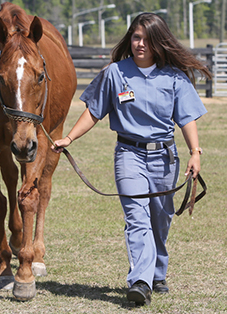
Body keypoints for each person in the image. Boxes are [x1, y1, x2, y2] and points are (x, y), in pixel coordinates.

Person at [51, 13, 211, 306]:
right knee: (137, 219)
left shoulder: (173, 76)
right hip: (128, 155)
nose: (140, 44)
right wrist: (69, 138)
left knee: (160, 220)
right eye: (136, 37)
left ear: (158, 42)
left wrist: (195, 153)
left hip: (165, 156)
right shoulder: (115, 73)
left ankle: (157, 272)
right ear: (130, 39)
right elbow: (94, 111)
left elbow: (186, 118)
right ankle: (141, 280)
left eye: (147, 39)